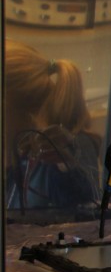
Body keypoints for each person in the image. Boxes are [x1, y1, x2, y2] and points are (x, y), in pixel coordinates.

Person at [4, 39, 102, 212]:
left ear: (14, 107)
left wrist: (65, 165)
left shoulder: (61, 154)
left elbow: (84, 216)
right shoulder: (17, 156)